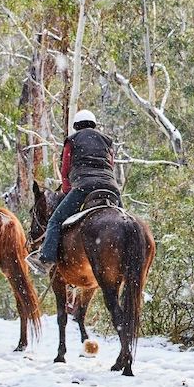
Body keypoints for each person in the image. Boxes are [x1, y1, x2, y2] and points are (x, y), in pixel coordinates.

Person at [29, 109, 122, 275]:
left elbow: (65, 170)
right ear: (93, 124)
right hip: (111, 188)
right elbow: (111, 165)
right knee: (124, 218)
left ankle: (46, 261)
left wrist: (67, 191)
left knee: (55, 221)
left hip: (84, 187)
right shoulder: (107, 141)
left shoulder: (72, 140)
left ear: (76, 125)